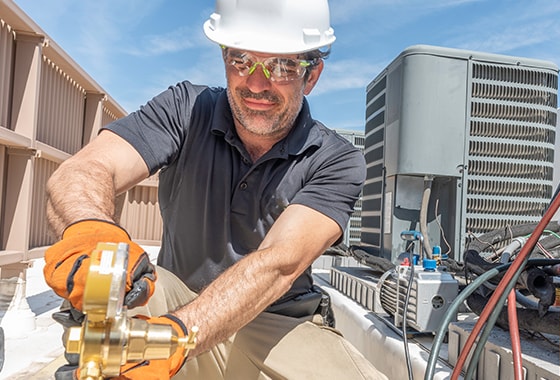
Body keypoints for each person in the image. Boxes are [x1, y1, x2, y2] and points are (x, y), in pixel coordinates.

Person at [43, 0, 386, 379]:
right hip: (177, 302)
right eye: (241, 60)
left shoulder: (335, 160)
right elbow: (86, 169)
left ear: (312, 74)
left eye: (282, 66)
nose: (256, 83)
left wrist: (178, 338)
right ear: (224, 57)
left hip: (276, 321)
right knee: (113, 302)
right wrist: (89, 229)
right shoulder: (185, 109)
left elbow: (280, 262)